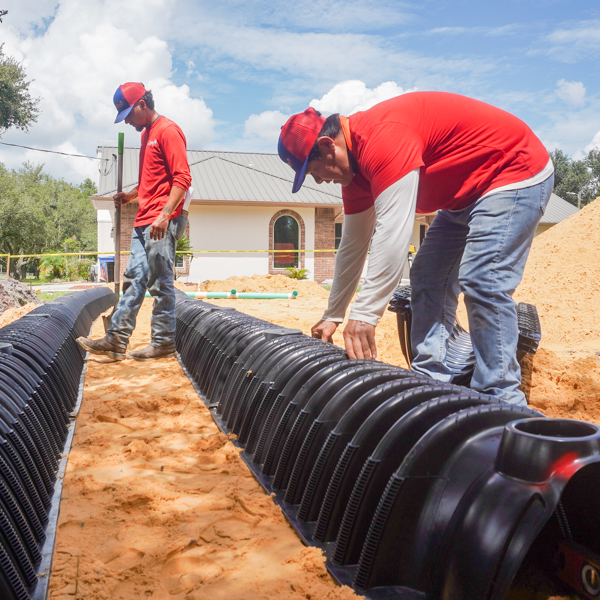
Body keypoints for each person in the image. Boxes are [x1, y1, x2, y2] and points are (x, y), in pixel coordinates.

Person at [278, 92, 553, 405]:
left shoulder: (382, 138)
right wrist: (334, 315)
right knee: (427, 274)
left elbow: (393, 235)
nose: (318, 180)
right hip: (465, 195)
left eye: (313, 171)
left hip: (513, 171)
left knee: (483, 280)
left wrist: (365, 315)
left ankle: (501, 397)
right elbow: (353, 246)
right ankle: (431, 381)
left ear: (328, 146)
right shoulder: (354, 176)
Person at [77, 82, 191, 361]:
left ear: (143, 104)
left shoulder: (168, 130)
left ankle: (163, 342)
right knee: (132, 281)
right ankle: (116, 341)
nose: (127, 120)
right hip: (144, 220)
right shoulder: (146, 135)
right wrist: (130, 196)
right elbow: (149, 183)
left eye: (129, 113)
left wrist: (165, 215)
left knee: (160, 284)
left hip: (160, 222)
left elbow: (182, 179)